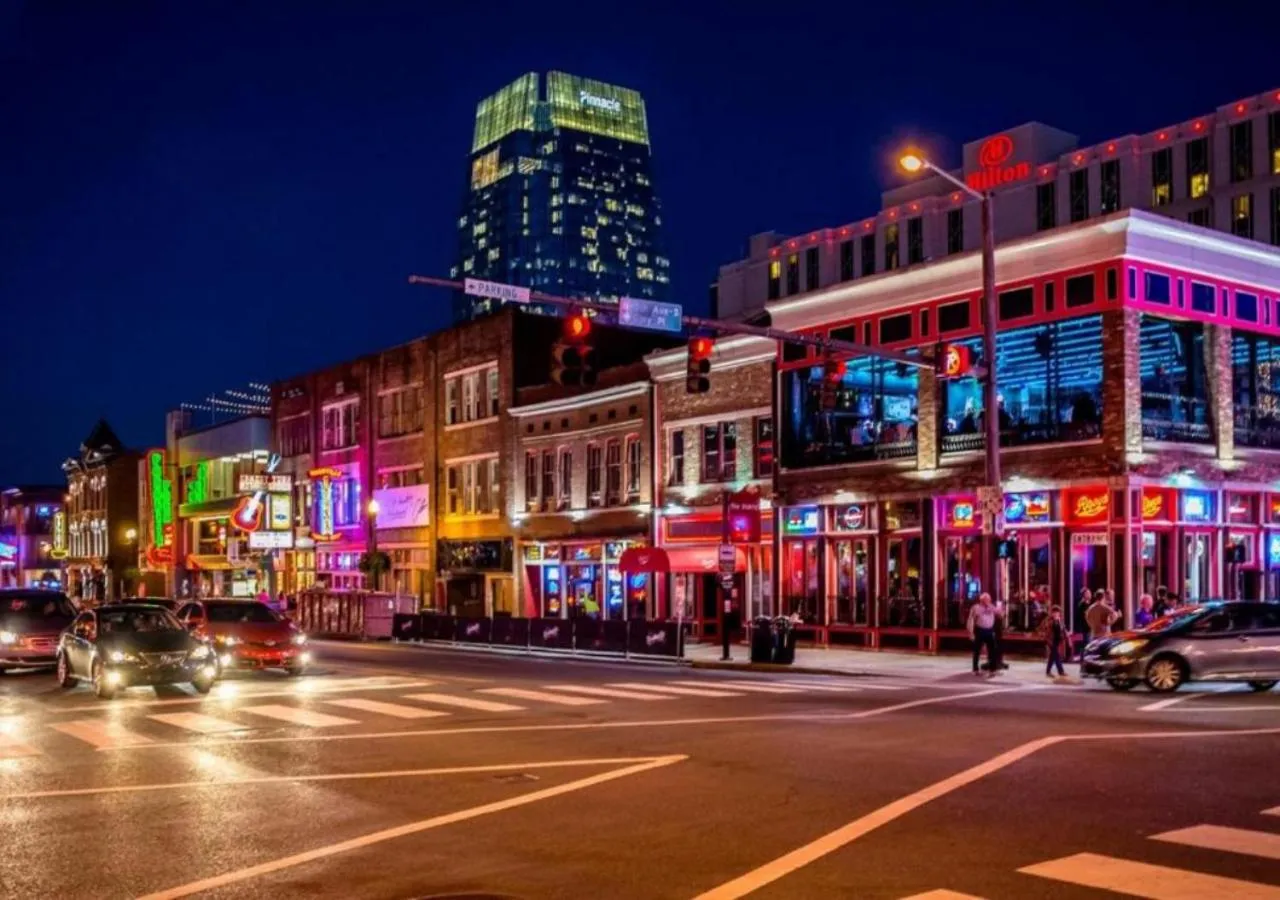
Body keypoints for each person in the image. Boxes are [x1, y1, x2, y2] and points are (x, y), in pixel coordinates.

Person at [967, 592, 1000, 676]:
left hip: (989, 630)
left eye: (989, 599)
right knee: (977, 650)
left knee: (992, 650)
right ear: (981, 600)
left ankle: (992, 669)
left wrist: (998, 609)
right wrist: (971, 632)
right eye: (986, 599)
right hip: (980, 630)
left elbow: (1000, 614)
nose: (988, 601)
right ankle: (975, 669)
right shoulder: (976, 607)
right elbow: (971, 620)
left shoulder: (991, 607)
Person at [1037, 604, 1071, 678]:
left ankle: (1048, 671)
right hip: (1050, 640)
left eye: (1057, 612)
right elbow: (1041, 628)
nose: (1056, 614)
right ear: (1052, 613)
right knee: (1057, 656)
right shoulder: (1048, 620)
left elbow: (1063, 629)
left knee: (1052, 657)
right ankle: (1061, 671)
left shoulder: (1059, 620)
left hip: (1057, 640)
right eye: (1054, 612)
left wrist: (1067, 634)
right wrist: (1044, 636)